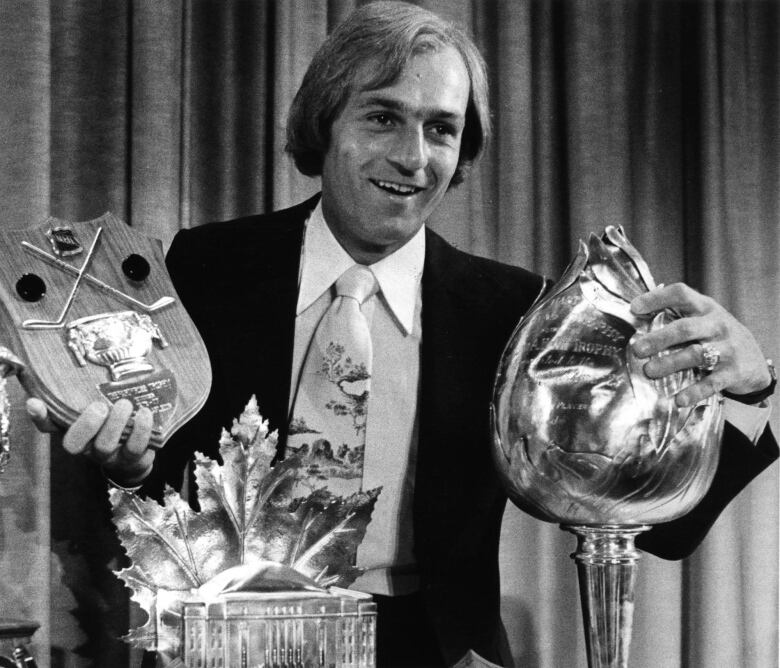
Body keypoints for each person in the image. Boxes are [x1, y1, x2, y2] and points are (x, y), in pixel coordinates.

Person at [27, 2, 778, 666]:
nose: (414, 158)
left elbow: (652, 527)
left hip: (427, 646)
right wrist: (127, 470)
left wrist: (750, 392)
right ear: (325, 125)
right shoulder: (206, 267)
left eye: (441, 130)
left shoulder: (514, 310)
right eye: (382, 117)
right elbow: (159, 491)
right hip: (235, 638)